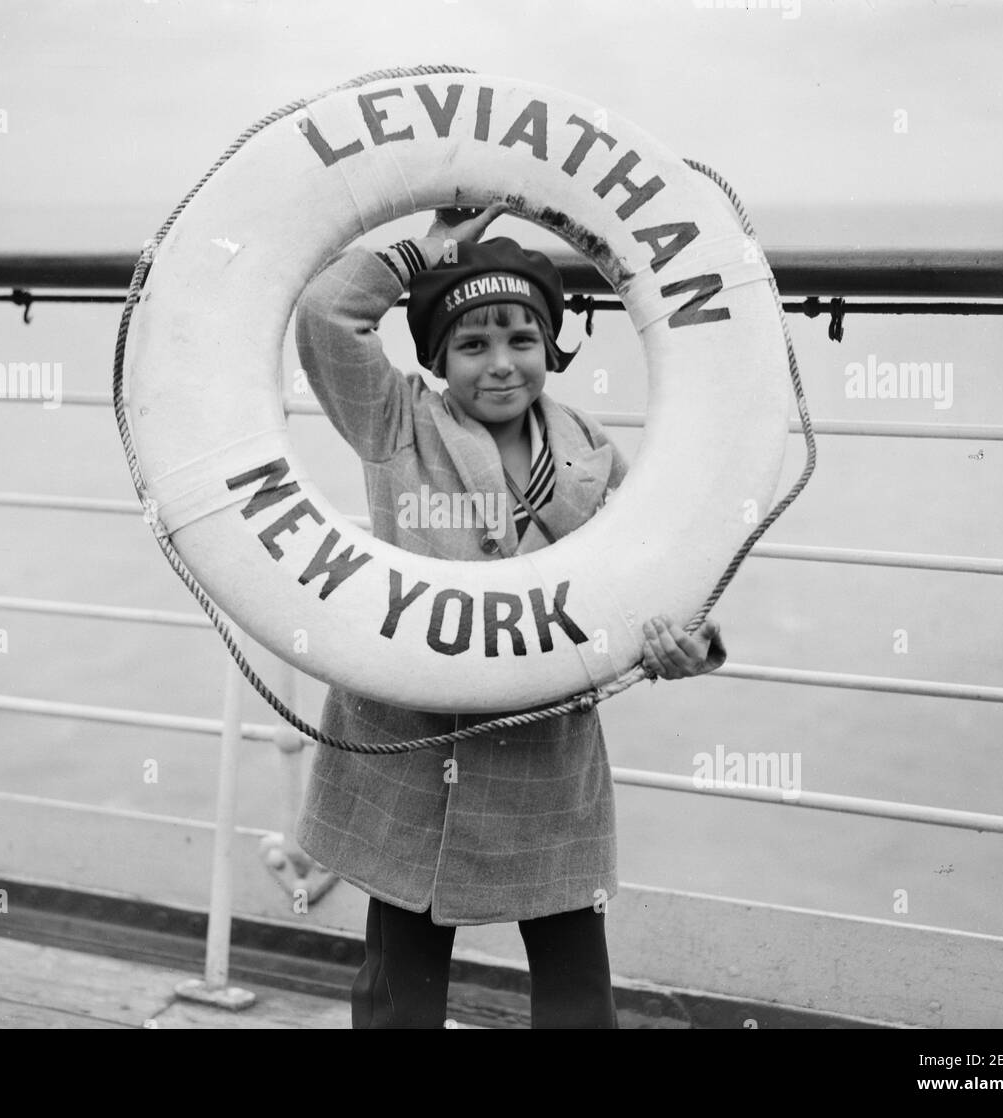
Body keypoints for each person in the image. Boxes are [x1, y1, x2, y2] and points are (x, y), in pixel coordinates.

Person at [293, 203, 727, 1029]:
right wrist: (432, 248)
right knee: (398, 987)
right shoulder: (398, 423)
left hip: (544, 751)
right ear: (436, 356)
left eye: (522, 340)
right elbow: (325, 313)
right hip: (414, 748)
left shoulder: (593, 451)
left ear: (552, 348)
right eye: (473, 343)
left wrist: (686, 643)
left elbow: (662, 571)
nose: (501, 364)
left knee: (574, 985)